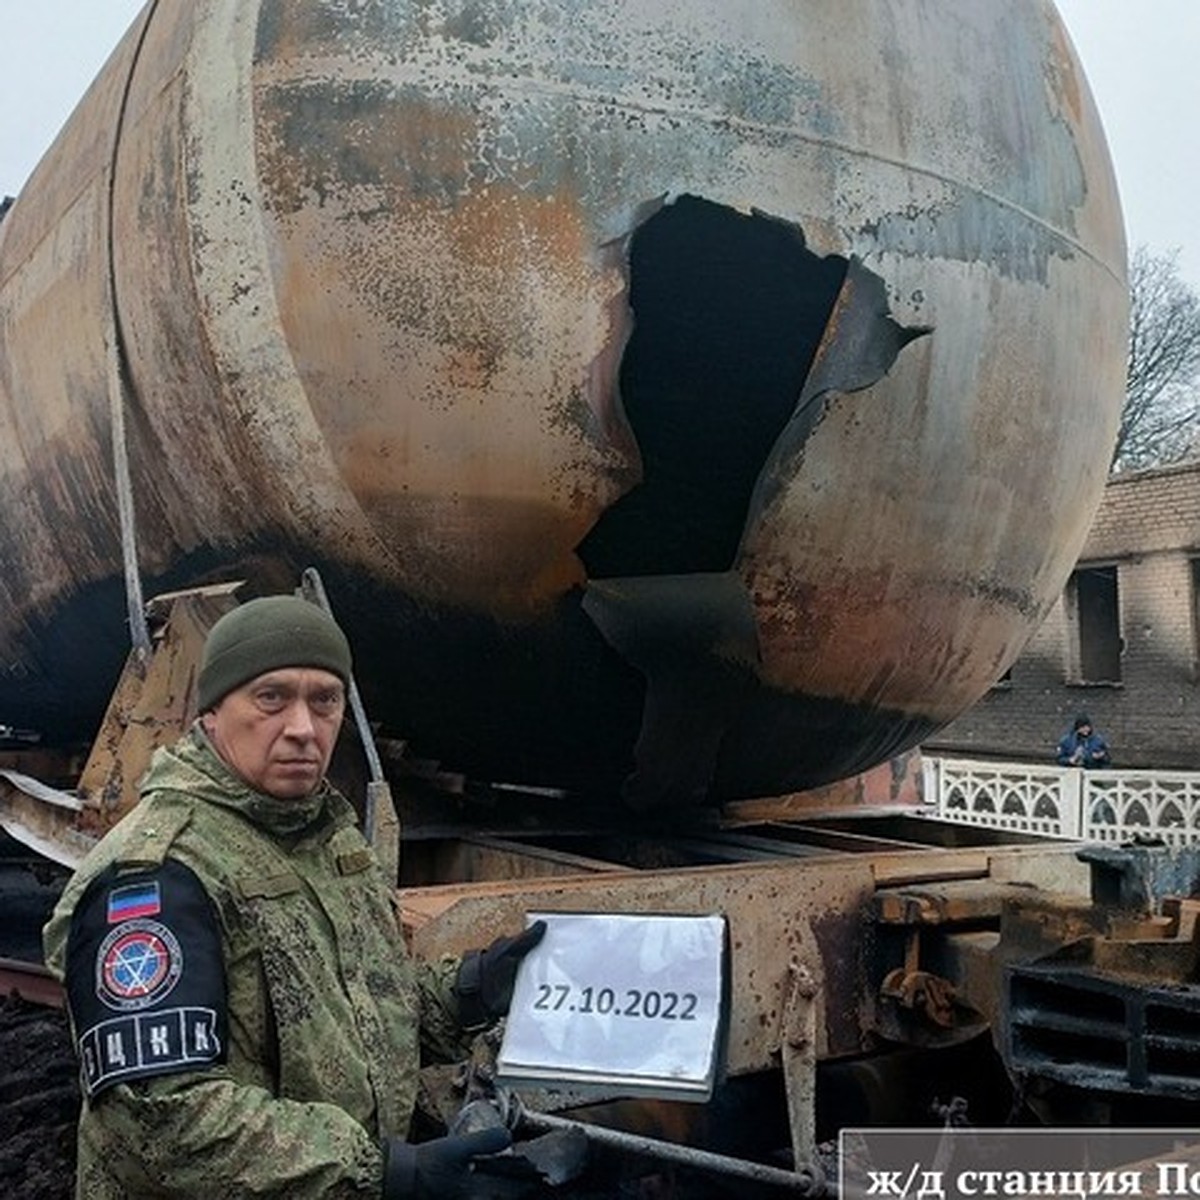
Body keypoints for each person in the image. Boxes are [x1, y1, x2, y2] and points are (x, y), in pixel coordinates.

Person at [43, 595, 544, 1199]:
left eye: (324, 700)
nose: (304, 728)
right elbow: (158, 1118)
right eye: (271, 698)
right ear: (211, 714)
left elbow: (351, 1009)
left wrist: (469, 988)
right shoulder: (159, 874)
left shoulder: (318, 837)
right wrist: (383, 1174)